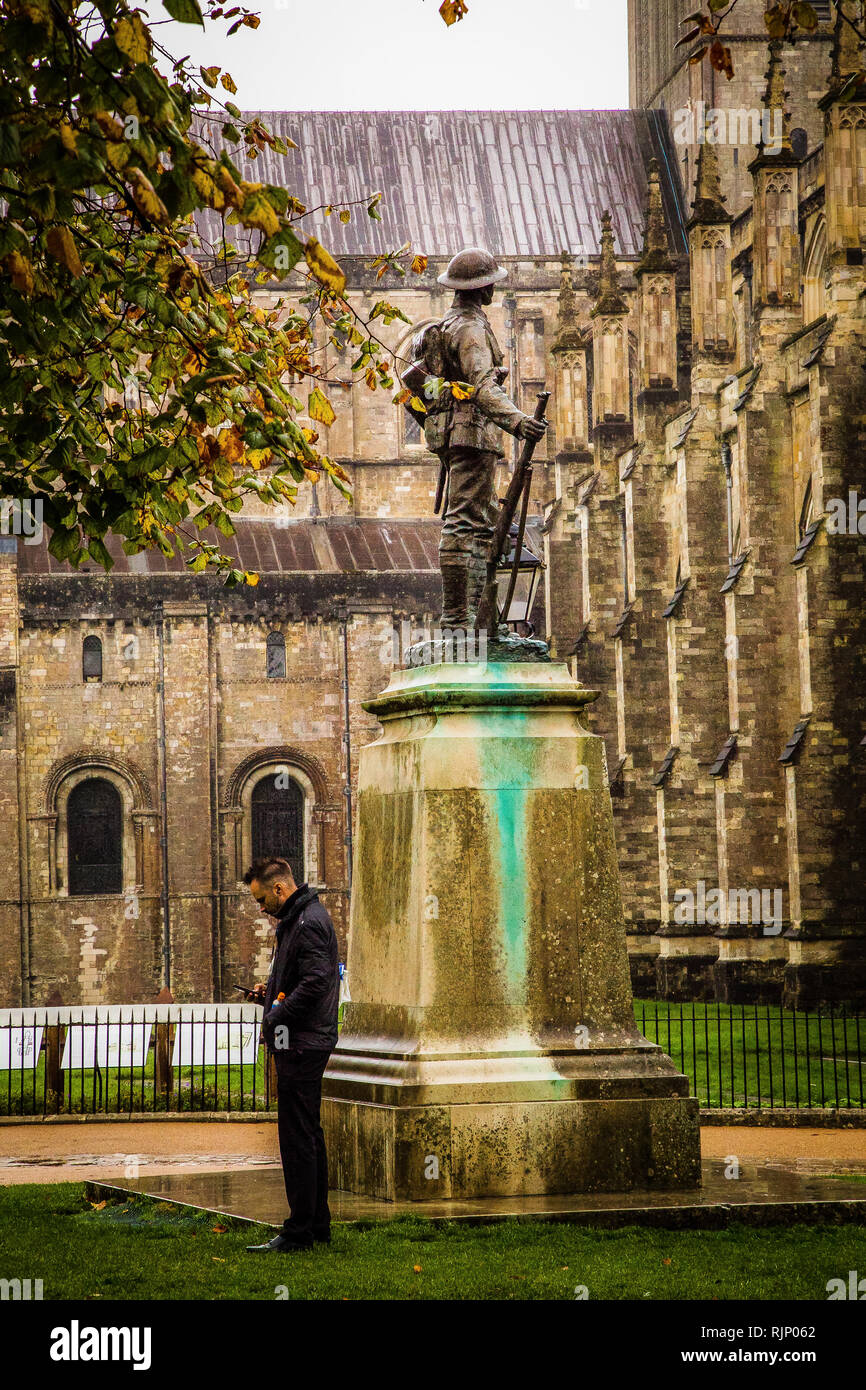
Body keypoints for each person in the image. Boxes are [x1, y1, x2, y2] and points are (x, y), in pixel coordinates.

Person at [413, 247, 547, 629]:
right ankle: (458, 618)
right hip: (470, 433)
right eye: (491, 283)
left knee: (483, 525)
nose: (493, 289)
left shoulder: (453, 322)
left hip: (463, 433)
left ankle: (472, 617)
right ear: (482, 287)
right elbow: (483, 389)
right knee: (463, 522)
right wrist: (519, 422)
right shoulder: (470, 328)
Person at [241, 856, 339, 1254]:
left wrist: (279, 1014)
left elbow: (317, 981)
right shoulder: (298, 919)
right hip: (300, 1039)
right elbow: (303, 976)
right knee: (307, 1134)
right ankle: (316, 1224)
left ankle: (299, 1231)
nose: (261, 908)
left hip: (303, 1041)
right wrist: (273, 990)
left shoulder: (309, 920)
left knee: (297, 1138)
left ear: (280, 889)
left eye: (262, 899)